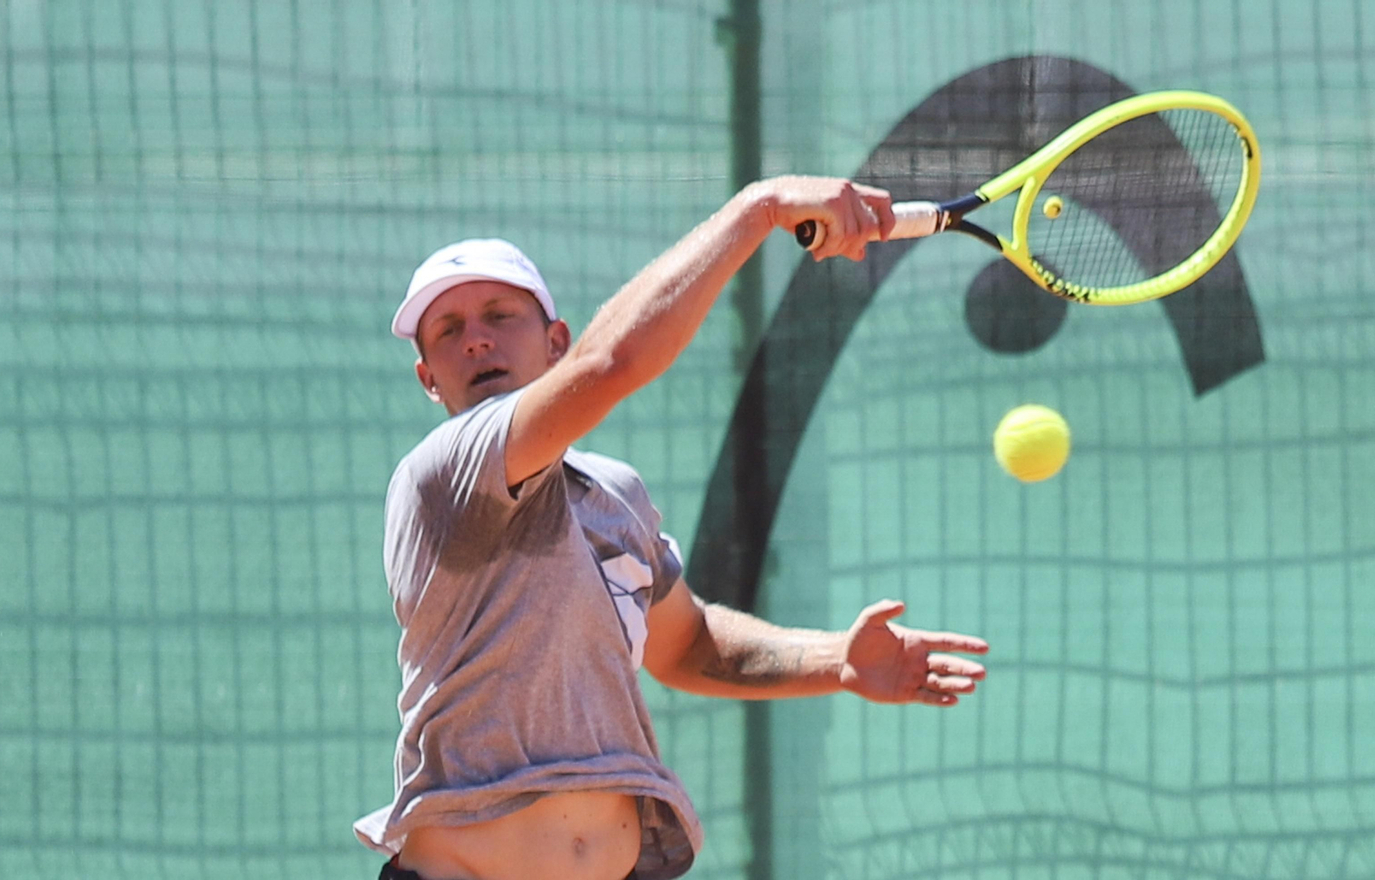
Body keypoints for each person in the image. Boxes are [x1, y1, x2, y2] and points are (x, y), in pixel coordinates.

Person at [353, 176, 991, 880]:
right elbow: (612, 363)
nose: (475, 340)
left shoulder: (613, 495)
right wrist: (761, 209)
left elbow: (686, 645)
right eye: (448, 331)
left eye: (500, 315)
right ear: (428, 378)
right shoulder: (443, 473)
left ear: (554, 342)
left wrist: (835, 660)